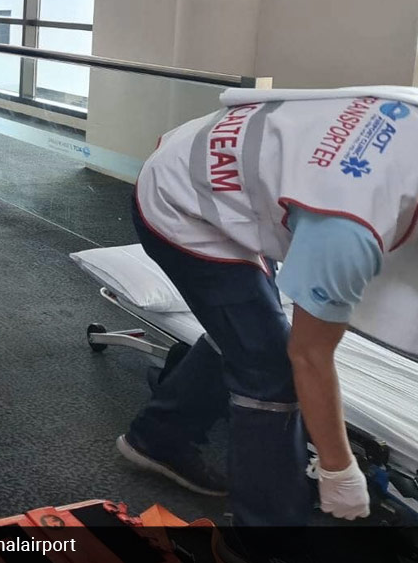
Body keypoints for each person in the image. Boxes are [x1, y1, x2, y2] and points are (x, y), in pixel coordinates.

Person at [119, 90, 418, 552]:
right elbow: (309, 356)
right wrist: (339, 469)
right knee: (271, 368)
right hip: (182, 202)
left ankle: (158, 436)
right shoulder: (348, 226)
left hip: (236, 169)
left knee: (246, 329)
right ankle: (263, 539)